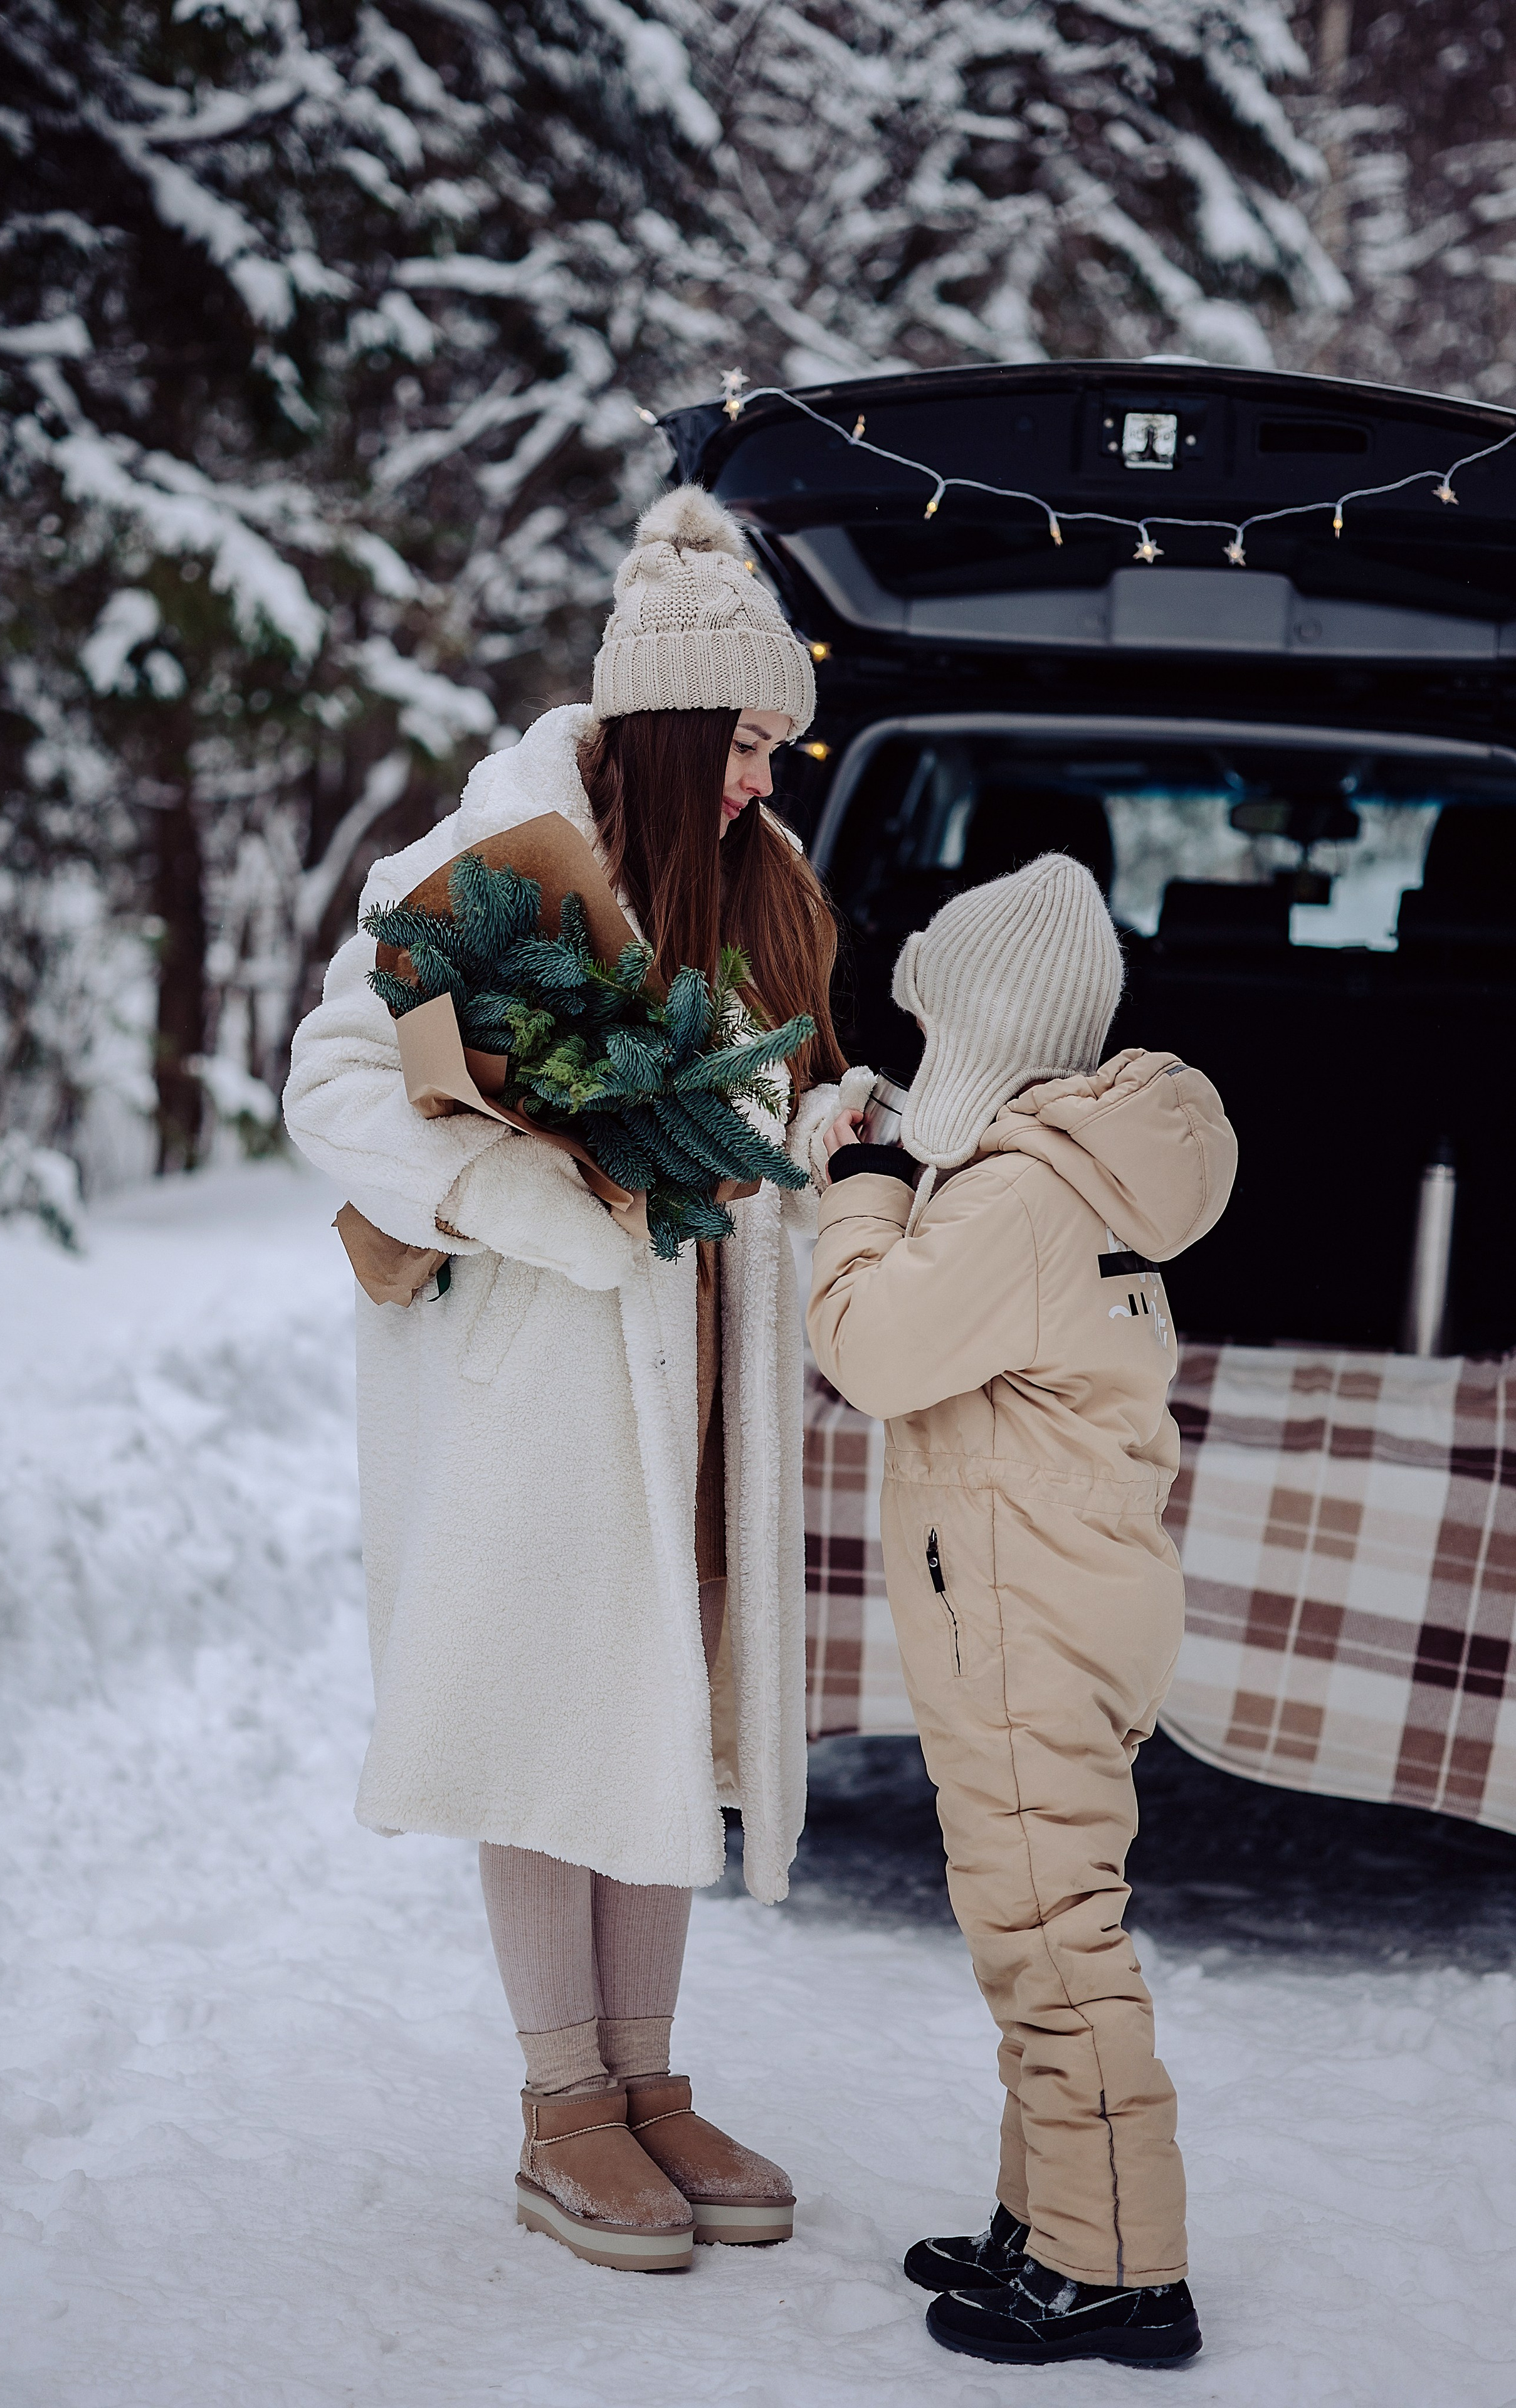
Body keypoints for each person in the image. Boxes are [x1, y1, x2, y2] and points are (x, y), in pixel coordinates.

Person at [283, 485, 868, 2274]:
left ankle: (647, 2081)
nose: (770, 778)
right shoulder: (485, 860)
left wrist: (828, 1139)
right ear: (677, 720)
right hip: (535, 1379)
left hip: (703, 1380)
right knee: (546, 1708)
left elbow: (776, 1102)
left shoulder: (762, 885)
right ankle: (563, 2106)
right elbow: (333, 1081)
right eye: (751, 742)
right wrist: (528, 1193)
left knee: (655, 1708)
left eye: (782, 743)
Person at [806, 853, 1237, 2368]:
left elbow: (868, 1344)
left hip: (1019, 1613)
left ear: (980, 1031)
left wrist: (857, 1200)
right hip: (1067, 1595)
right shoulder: (1077, 1172)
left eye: (932, 1034)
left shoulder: (1016, 1199)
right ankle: (1047, 2215)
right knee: (1030, 1925)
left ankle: (1119, 2268)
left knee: (1053, 1939)